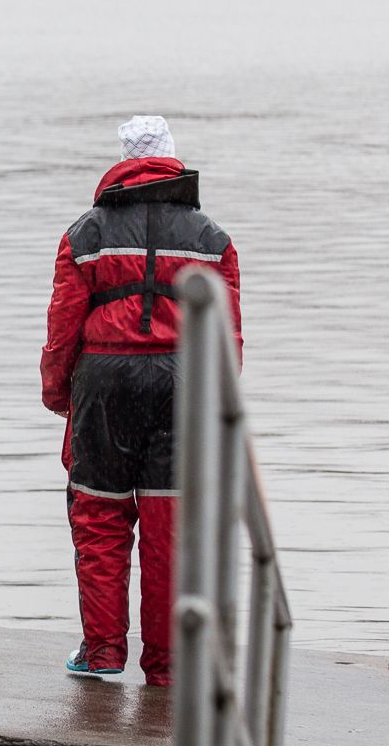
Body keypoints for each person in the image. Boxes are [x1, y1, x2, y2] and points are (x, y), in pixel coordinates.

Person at [41, 116, 241, 688]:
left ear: (124, 163)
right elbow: (229, 333)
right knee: (171, 524)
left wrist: (58, 392)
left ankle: (102, 651)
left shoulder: (86, 234)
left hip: (104, 383)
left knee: (99, 515)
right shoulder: (213, 238)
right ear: (174, 161)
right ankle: (169, 665)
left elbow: (63, 325)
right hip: (185, 387)